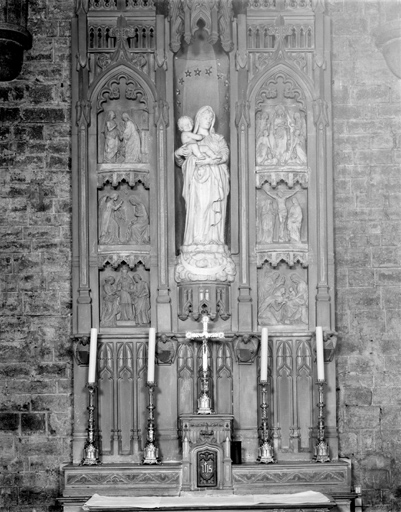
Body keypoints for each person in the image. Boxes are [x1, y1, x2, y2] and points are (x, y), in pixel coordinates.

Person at [175, 106, 229, 246]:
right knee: (200, 207)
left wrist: (209, 161)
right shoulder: (189, 139)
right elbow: (182, 163)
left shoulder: (217, 138)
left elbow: (224, 155)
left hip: (216, 179)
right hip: (197, 180)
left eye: (210, 118)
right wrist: (177, 154)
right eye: (205, 117)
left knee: (212, 207)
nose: (208, 120)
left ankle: (214, 240)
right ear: (198, 119)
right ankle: (196, 240)